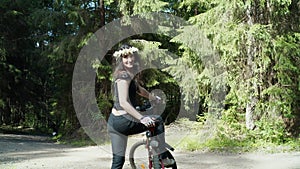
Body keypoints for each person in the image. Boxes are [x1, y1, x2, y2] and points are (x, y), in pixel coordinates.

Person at [107, 44, 174, 169]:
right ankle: (163, 157)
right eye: (125, 57)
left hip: (114, 123)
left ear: (134, 56)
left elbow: (139, 90)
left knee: (118, 161)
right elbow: (123, 103)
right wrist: (142, 118)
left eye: (131, 56)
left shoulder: (128, 74)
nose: (129, 60)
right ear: (121, 60)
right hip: (123, 121)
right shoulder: (123, 76)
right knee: (157, 121)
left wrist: (152, 97)